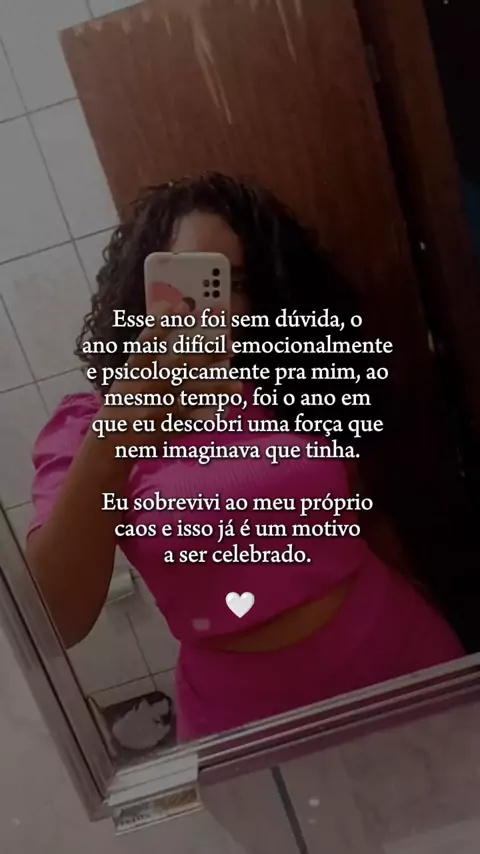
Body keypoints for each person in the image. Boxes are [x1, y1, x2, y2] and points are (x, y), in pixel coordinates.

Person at [26, 172, 463, 743]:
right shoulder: (88, 425)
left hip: (398, 654)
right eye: (193, 277)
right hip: (242, 717)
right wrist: (122, 431)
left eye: (236, 284)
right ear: (142, 290)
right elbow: (56, 619)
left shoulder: (294, 386)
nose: (217, 308)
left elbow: (368, 518)